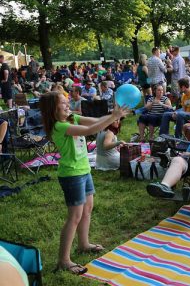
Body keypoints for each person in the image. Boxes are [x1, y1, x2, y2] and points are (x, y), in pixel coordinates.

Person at [39, 91, 129, 275]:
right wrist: (113, 117)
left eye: (66, 102)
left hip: (84, 170)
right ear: (52, 109)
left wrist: (113, 115)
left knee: (87, 209)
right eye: (62, 103)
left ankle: (83, 244)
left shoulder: (73, 118)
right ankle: (64, 260)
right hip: (72, 175)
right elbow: (90, 131)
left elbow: (95, 121)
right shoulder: (60, 126)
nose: (67, 105)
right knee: (75, 216)